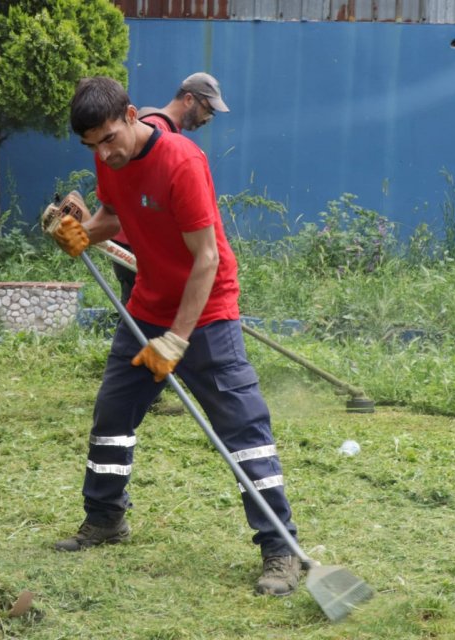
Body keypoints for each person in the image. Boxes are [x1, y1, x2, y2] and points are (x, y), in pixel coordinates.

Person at [47, 76, 301, 597]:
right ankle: (106, 519)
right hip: (147, 307)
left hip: (206, 313)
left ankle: (279, 549)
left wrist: (177, 340)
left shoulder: (182, 162)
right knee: (113, 416)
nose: (104, 152)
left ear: (132, 115)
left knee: (244, 430)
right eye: (92, 145)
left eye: (109, 139)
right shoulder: (108, 158)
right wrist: (80, 234)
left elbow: (206, 258)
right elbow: (114, 216)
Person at [112, 72, 231, 304]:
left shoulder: (167, 131)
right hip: (136, 243)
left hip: (140, 242)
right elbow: (142, 192)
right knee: (144, 317)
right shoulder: (154, 128)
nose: (208, 118)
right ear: (189, 100)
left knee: (142, 315)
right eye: (208, 109)